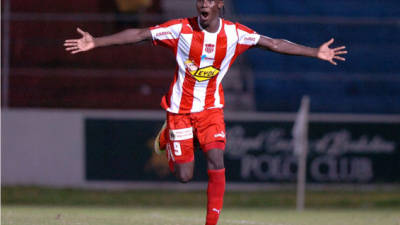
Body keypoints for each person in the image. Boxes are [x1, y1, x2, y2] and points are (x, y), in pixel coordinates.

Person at [64, 0, 347, 224]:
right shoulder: (180, 29)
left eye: (209, 1)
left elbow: (273, 44)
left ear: (220, 4)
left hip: (211, 110)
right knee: (184, 176)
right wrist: (96, 42)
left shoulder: (235, 34)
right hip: (179, 111)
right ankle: (169, 140)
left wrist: (315, 52)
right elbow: (139, 34)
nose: (203, 5)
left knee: (216, 157)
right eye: (200, 0)